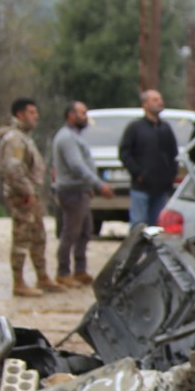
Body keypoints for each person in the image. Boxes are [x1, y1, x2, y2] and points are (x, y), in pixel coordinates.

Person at [0, 97, 57, 297]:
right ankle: (19, 281)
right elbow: (13, 168)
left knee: (38, 236)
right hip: (22, 196)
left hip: (32, 195)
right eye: (32, 112)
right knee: (22, 239)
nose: (36, 116)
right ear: (20, 114)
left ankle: (42, 276)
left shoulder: (24, 137)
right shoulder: (14, 138)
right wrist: (27, 191)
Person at [50, 100, 111, 287]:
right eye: (82, 113)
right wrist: (98, 184)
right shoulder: (67, 138)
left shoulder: (75, 136)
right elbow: (76, 166)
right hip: (72, 192)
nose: (86, 117)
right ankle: (63, 272)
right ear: (71, 115)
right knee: (70, 232)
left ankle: (80, 270)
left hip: (81, 191)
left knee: (85, 232)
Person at [118, 88, 180, 228]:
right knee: (139, 224)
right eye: (155, 100)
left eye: (160, 99)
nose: (159, 102)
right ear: (145, 104)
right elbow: (124, 153)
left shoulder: (165, 128)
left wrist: (171, 174)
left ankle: (153, 251)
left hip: (161, 187)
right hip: (141, 186)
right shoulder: (135, 127)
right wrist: (138, 172)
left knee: (157, 226)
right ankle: (136, 250)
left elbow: (173, 154)